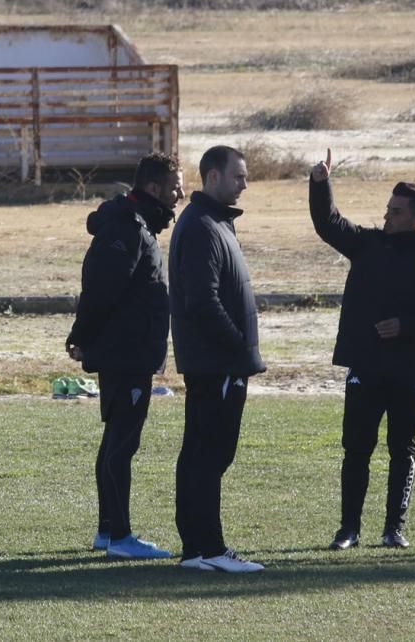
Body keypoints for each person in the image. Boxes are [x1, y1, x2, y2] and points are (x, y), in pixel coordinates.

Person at [308, 149, 415, 551]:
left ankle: (394, 528)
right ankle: (348, 528)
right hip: (365, 364)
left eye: (396, 211)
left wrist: (407, 328)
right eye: (387, 208)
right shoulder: (369, 245)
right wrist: (321, 184)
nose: (387, 215)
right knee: (356, 448)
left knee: (402, 449)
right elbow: (328, 224)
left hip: (408, 368)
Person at [66, 153, 184, 560]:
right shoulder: (129, 231)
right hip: (125, 355)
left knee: (114, 442)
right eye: (174, 187)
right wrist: (82, 336)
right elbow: (100, 291)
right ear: (152, 189)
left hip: (130, 353)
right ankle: (120, 536)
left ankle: (107, 531)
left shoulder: (138, 228)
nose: (180, 195)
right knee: (121, 445)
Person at [169, 146, 266, 573]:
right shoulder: (203, 227)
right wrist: (236, 347)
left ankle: (198, 549)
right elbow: (203, 300)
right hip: (217, 364)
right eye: (238, 176)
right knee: (207, 455)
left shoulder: (214, 222)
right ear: (212, 178)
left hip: (220, 362)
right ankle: (208, 547)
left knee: (207, 455)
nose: (245, 184)